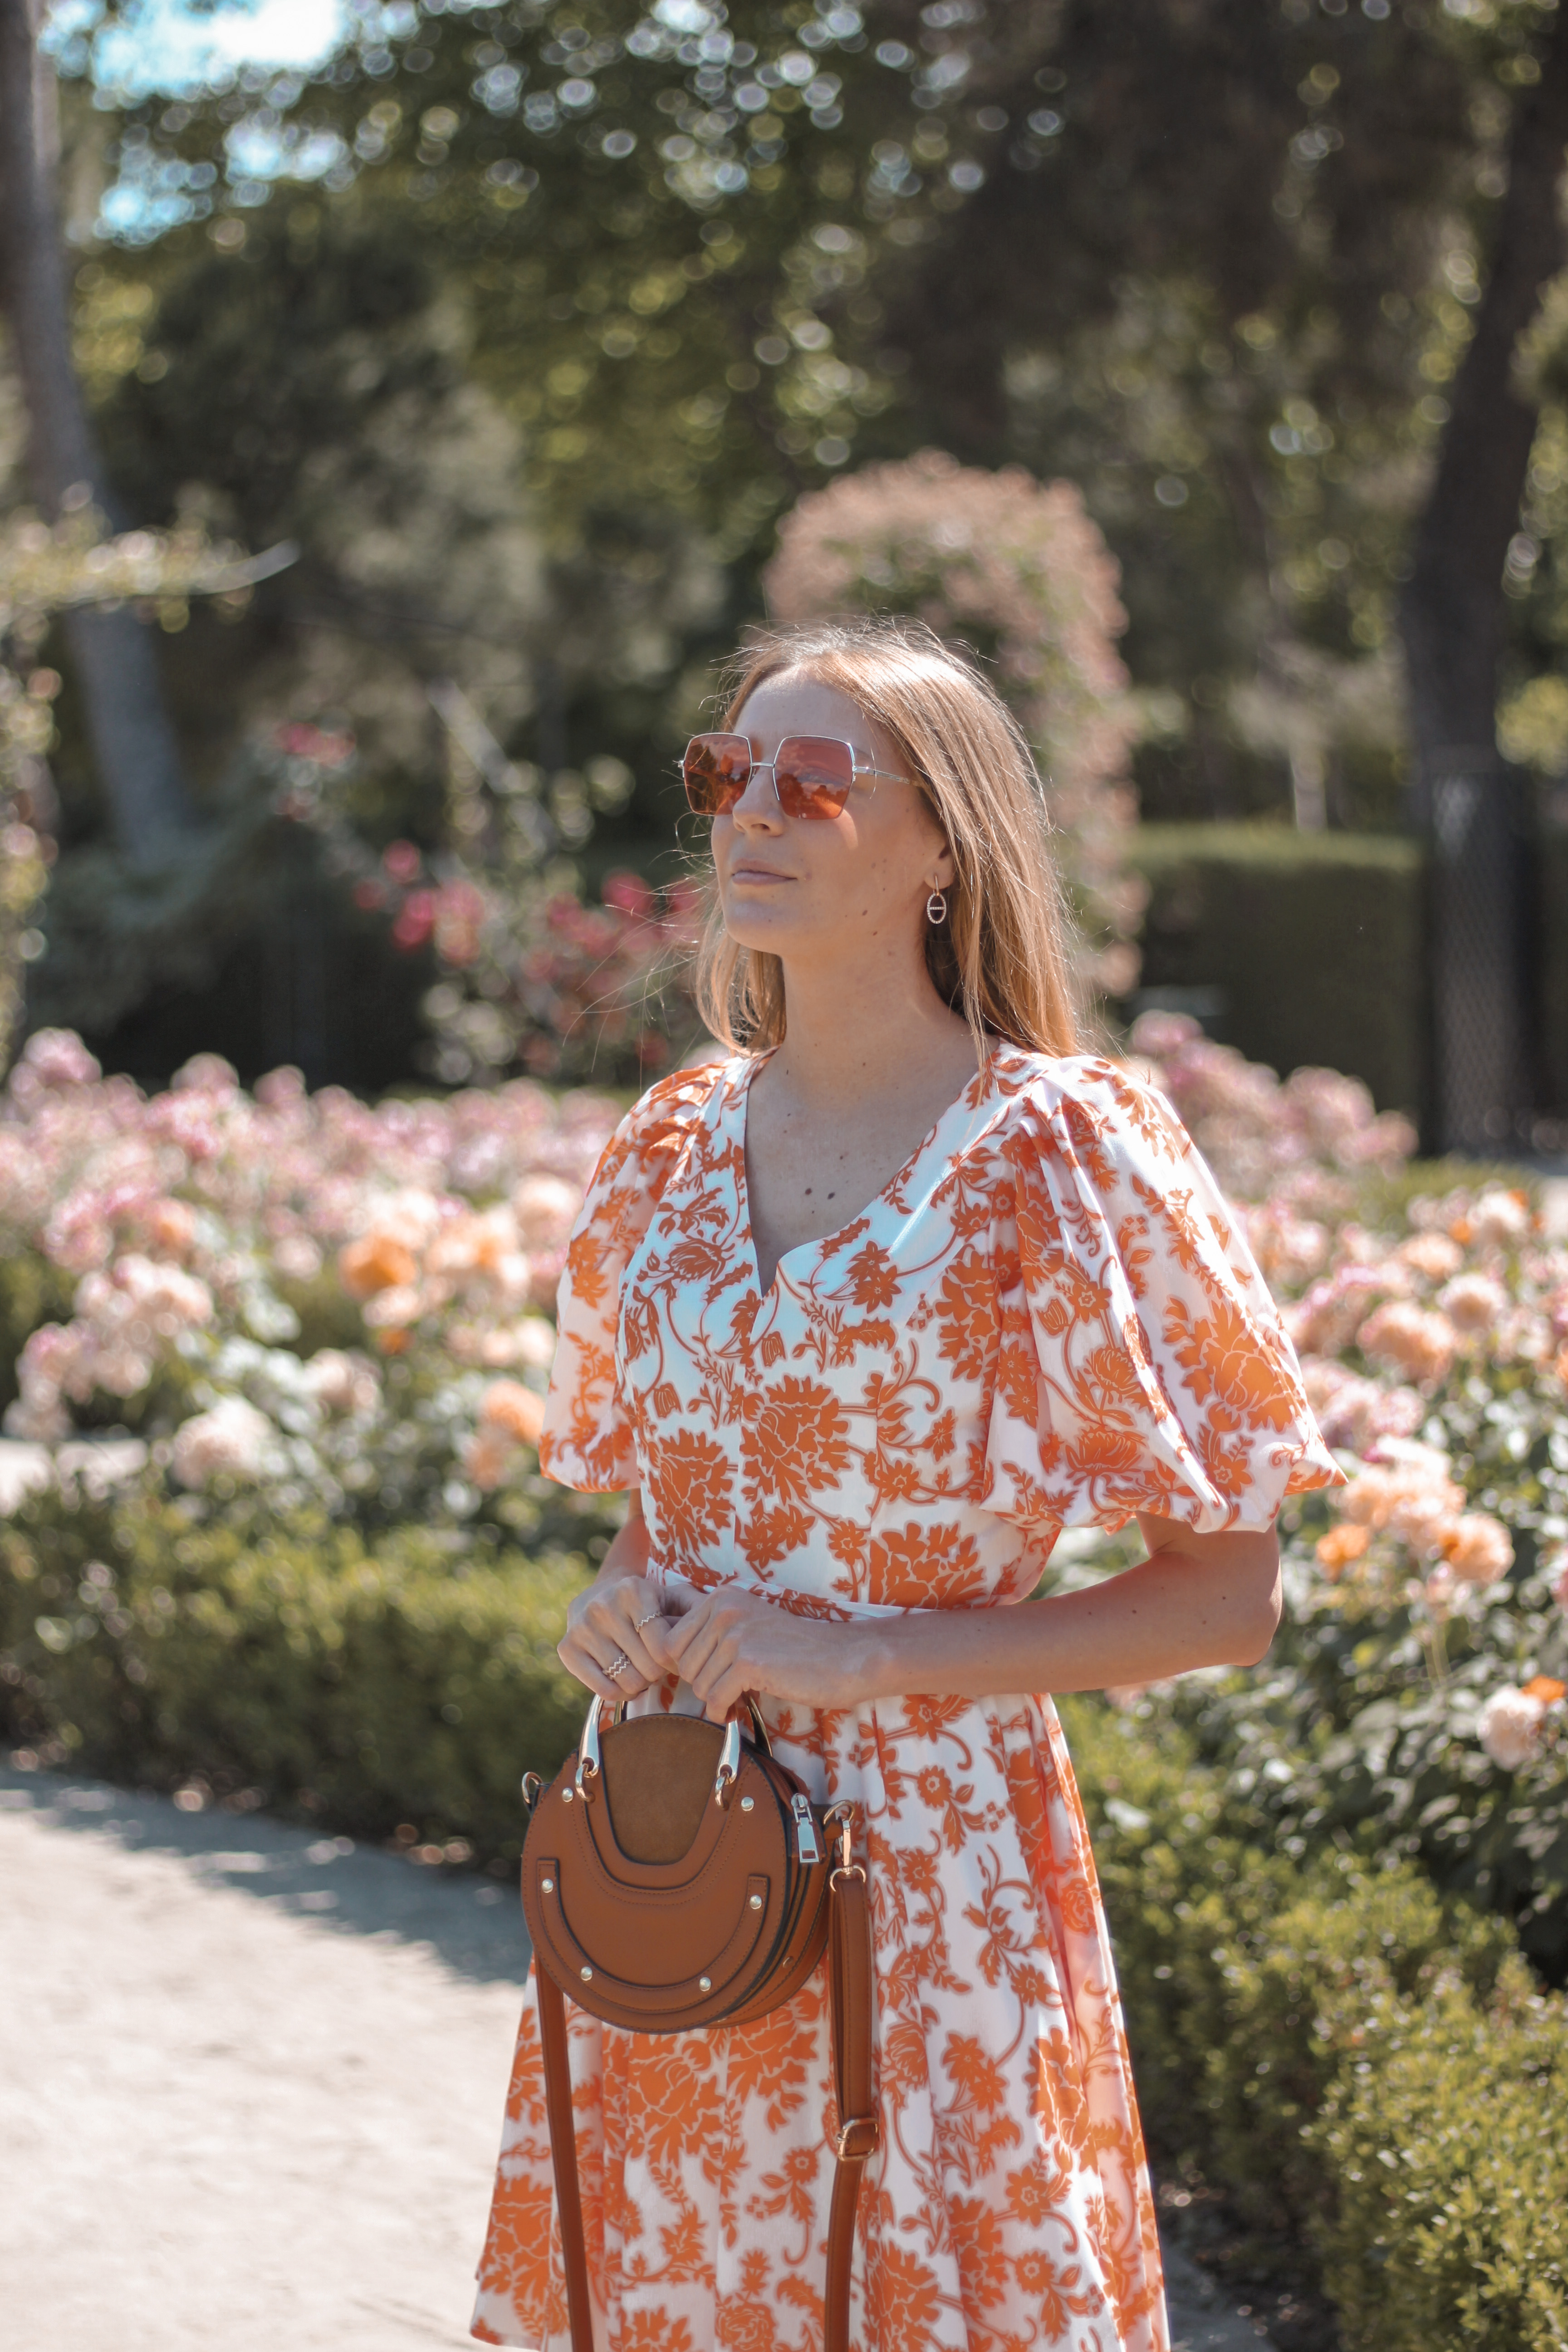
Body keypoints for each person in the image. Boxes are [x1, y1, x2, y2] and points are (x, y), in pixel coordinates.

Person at [472, 618, 1338, 2352]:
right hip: (675, 1861)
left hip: (933, 1879)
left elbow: (1229, 1594)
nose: (756, 814)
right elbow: (665, 1516)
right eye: (731, 774)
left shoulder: (1059, 1153)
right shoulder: (667, 1148)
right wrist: (626, 1602)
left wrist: (870, 1660)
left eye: (816, 781)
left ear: (944, 843)